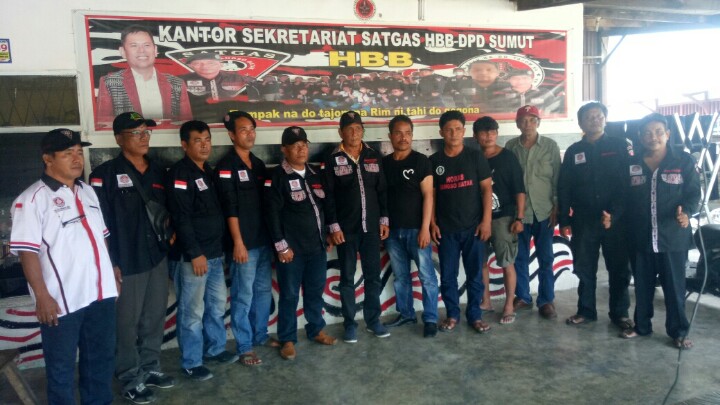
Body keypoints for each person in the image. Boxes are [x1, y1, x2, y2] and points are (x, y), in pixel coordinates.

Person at [10, 129, 120, 404]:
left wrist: (112, 271)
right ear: (48, 159)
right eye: (67, 153)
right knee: (61, 369)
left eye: (79, 152)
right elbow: (27, 253)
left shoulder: (88, 192)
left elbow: (102, 237)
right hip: (61, 302)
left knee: (101, 361)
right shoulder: (31, 200)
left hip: (100, 295)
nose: (76, 158)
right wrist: (42, 296)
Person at [89, 112, 174, 403]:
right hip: (126, 261)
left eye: (146, 132)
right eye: (136, 133)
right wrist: (110, 262)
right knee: (126, 324)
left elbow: (168, 211)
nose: (143, 137)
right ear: (118, 139)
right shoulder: (104, 175)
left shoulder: (159, 171)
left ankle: (150, 367)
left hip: (156, 257)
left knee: (154, 317)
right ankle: (129, 377)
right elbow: (99, 224)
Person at [620, 113, 700, 349]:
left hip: (672, 238)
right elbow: (623, 198)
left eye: (657, 132)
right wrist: (613, 215)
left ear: (667, 134)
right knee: (642, 287)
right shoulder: (632, 164)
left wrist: (687, 213)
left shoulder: (683, 161)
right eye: (647, 133)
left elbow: (693, 194)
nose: (652, 137)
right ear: (640, 137)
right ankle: (642, 326)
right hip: (640, 237)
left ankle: (679, 332)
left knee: (674, 288)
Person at [167, 120, 238, 382]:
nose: (205, 145)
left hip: (215, 254)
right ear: (184, 145)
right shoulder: (180, 173)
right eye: (198, 140)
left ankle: (215, 349)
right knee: (192, 312)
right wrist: (194, 253)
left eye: (207, 139)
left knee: (216, 306)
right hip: (193, 258)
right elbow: (181, 217)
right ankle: (191, 361)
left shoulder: (208, 171)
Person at [558, 102, 634, 329]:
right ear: (580, 123)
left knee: (619, 268)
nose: (594, 120)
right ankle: (586, 311)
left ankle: (620, 314)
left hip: (616, 221)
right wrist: (564, 219)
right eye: (589, 117)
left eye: (598, 116)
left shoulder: (620, 146)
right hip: (583, 220)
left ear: (605, 119)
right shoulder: (574, 151)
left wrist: (615, 214)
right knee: (585, 268)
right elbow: (564, 187)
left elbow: (628, 184)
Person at [265, 126, 338, 360]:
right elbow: (271, 214)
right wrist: (281, 246)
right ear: (284, 150)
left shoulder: (315, 174)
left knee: (315, 291)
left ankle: (316, 330)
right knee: (289, 295)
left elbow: (327, 206)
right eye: (295, 146)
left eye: (304, 145)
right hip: (291, 251)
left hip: (316, 247)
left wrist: (330, 232)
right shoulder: (277, 176)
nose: (301, 149)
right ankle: (287, 339)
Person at [323, 111, 391, 343]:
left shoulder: (373, 156)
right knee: (347, 279)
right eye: (349, 129)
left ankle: (373, 321)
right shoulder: (332, 159)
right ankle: (350, 324)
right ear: (340, 132)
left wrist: (384, 220)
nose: (354, 133)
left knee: (373, 277)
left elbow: (382, 191)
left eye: (358, 129)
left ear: (363, 131)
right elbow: (328, 196)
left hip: (371, 229)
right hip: (346, 231)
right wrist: (333, 227)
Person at [214, 110, 274, 367]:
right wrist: (238, 242)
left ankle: (260, 335)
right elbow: (229, 207)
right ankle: (245, 346)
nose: (249, 134)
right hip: (243, 245)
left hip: (263, 241)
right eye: (243, 130)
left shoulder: (257, 164)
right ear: (231, 135)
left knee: (262, 291)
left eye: (252, 129)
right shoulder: (226, 167)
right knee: (242, 295)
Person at [430, 110, 493, 333]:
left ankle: (475, 315)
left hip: (474, 228)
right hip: (446, 230)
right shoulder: (434, 161)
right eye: (449, 130)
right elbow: (431, 195)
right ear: (441, 132)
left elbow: (487, 190)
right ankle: (452, 315)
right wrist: (432, 223)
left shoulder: (475, 157)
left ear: (464, 131)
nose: (454, 133)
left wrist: (486, 222)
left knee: (475, 276)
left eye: (458, 129)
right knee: (448, 277)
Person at [381, 115, 439, 338]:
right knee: (401, 277)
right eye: (398, 133)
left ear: (412, 136)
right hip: (392, 232)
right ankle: (406, 313)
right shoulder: (384, 164)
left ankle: (431, 318)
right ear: (390, 136)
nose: (403, 137)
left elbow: (428, 195)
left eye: (407, 133)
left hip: (417, 230)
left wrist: (425, 228)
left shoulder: (421, 161)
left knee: (427, 277)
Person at [505, 105, 561, 319]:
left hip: (544, 211)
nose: (527, 124)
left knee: (546, 258)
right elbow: (507, 181)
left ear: (538, 122)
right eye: (523, 120)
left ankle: (546, 300)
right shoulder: (511, 147)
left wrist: (557, 206)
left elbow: (557, 178)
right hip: (520, 213)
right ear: (517, 124)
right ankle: (523, 297)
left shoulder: (550, 146)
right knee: (520, 257)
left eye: (532, 120)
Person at [473, 116, 526, 325]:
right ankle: (486, 301)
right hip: (478, 219)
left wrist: (519, 217)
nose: (488, 136)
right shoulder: (474, 158)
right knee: (481, 263)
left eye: (492, 131)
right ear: (475, 136)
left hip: (503, 218)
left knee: (507, 263)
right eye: (483, 132)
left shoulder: (508, 157)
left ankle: (509, 305)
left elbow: (519, 189)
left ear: (497, 133)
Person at [96, 25, 192, 124]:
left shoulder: (177, 83)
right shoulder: (109, 83)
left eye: (146, 45)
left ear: (155, 50)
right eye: (134, 45)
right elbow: (104, 124)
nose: (141, 50)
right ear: (123, 52)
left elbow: (187, 124)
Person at [182, 53, 247, 122]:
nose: (205, 66)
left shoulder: (240, 79)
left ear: (221, 65)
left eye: (211, 63)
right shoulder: (180, 81)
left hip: (233, 119)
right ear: (190, 66)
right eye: (197, 63)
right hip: (198, 119)